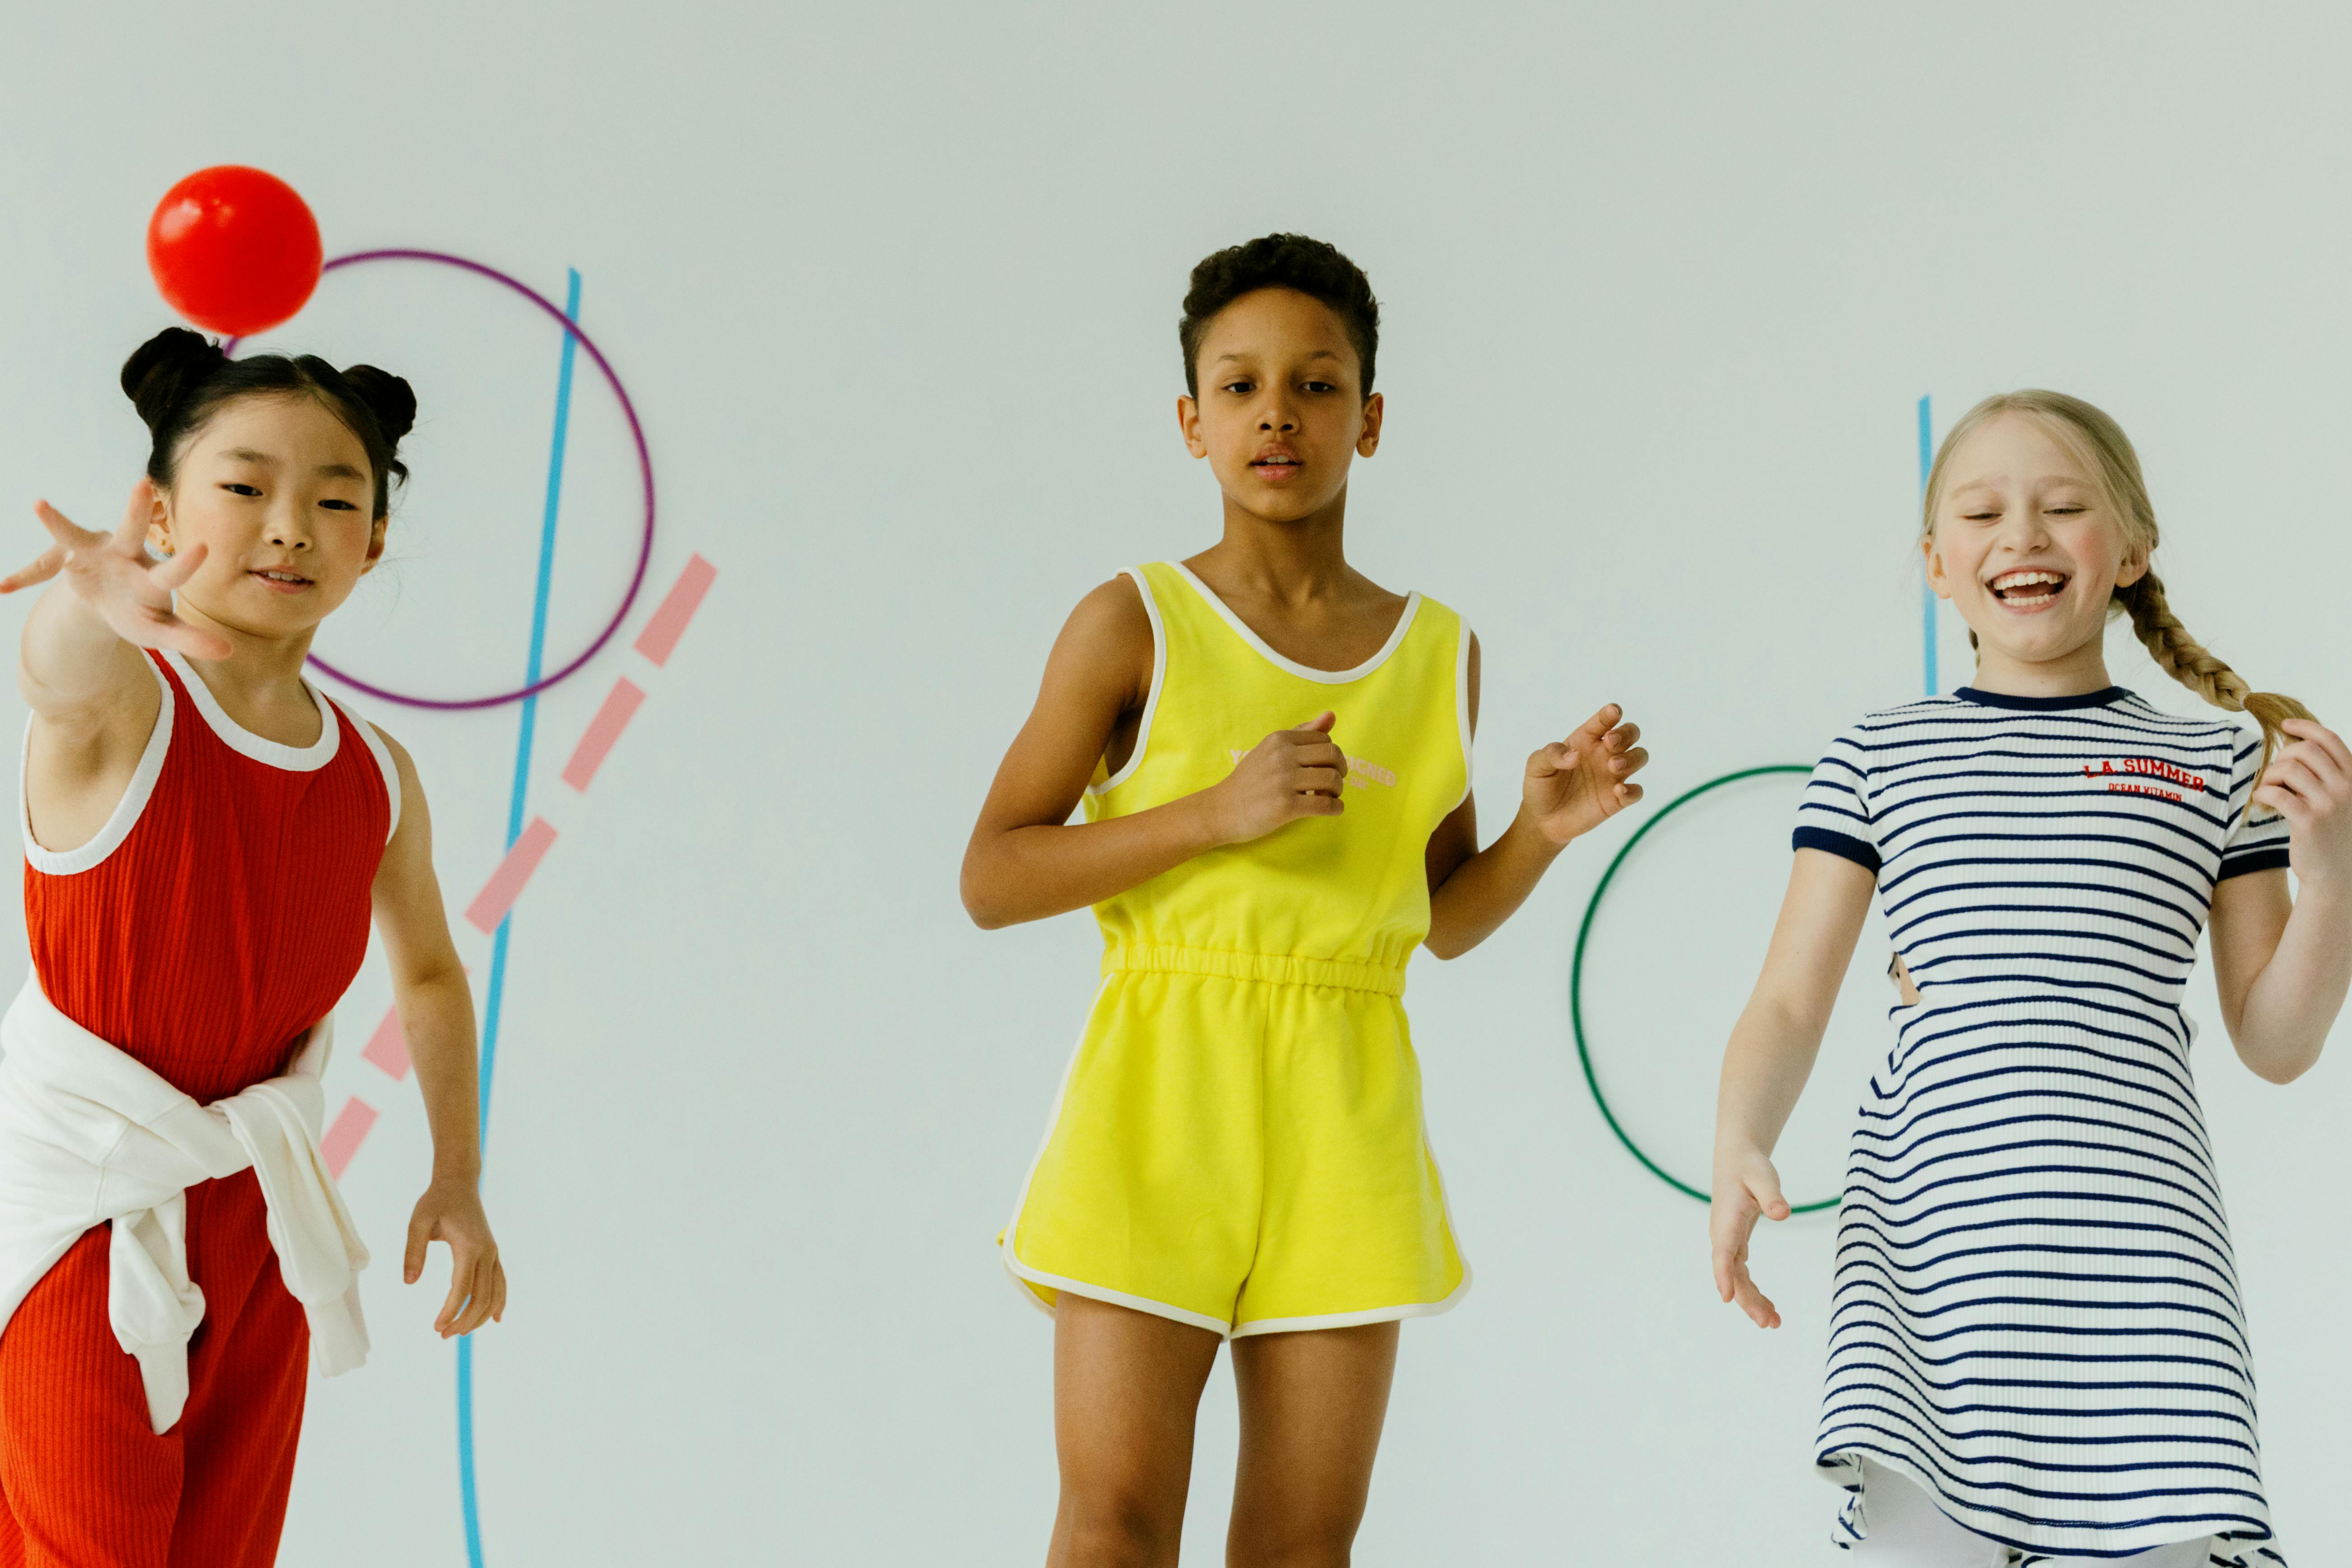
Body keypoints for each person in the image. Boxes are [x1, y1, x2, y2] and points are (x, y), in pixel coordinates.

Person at [962, 233, 1649, 1568]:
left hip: (1346, 1110)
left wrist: (1538, 833)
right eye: (1238, 386)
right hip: (1158, 1097)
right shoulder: (1131, 621)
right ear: (1191, 423)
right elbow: (993, 871)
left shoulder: (1438, 651)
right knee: (1112, 1522)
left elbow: (1435, 919)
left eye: (1317, 384)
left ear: (1369, 419)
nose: (1277, 411)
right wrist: (1211, 816)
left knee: (1302, 1545)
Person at [1708, 389, 2350, 1565]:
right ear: (1934, 563)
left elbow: (2276, 1038)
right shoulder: (1876, 753)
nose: (2023, 536)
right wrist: (1740, 1137)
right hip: (1929, 1245)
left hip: (2143, 1256)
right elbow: (1789, 998)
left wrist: (2331, 872)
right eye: (1982, 511)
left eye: (2063, 507)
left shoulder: (2214, 761)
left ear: (2132, 550)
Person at [0, 327, 506, 1567]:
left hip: (259, 1218)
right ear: (159, 512)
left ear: (374, 539)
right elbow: (56, 679)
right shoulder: (125, 702)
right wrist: (85, 602)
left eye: (335, 498)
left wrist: (457, 1175)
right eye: (242, 487)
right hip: (84, 1210)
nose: (288, 526)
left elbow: (430, 970)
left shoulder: (375, 771)